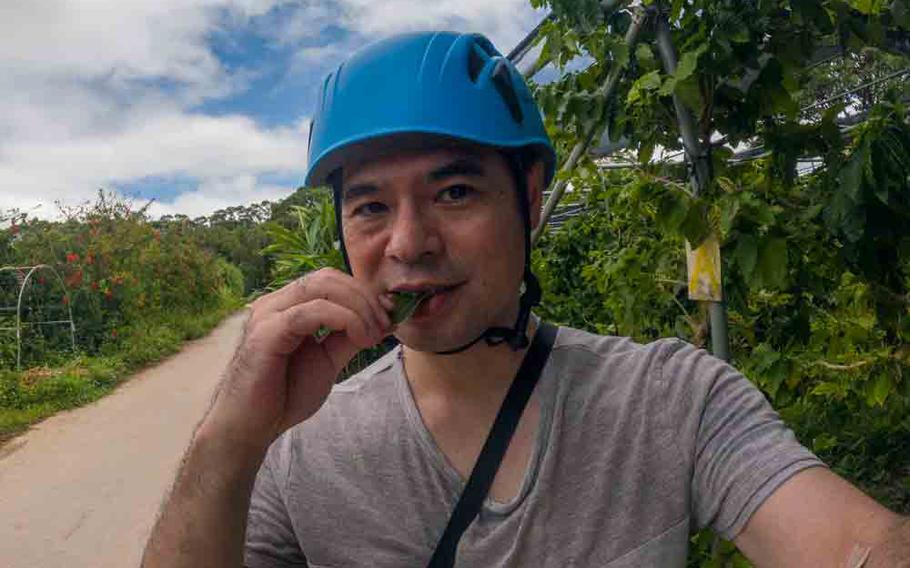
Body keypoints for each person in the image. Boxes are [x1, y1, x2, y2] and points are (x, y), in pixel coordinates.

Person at [141, 31, 909, 567]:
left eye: (454, 190)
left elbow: (852, 544)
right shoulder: (298, 448)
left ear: (531, 199)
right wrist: (229, 438)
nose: (408, 243)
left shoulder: (671, 399)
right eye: (371, 206)